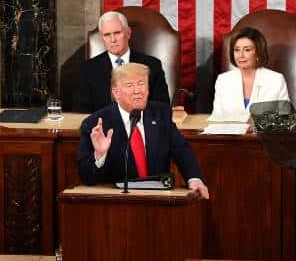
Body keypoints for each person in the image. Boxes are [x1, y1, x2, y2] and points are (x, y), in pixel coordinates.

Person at [77, 62, 209, 199]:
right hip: (118, 204)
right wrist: (100, 155)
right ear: (116, 93)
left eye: (141, 84)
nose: (137, 90)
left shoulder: (161, 114)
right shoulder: (95, 124)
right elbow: (87, 178)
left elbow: (181, 150)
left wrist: (194, 178)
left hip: (159, 201)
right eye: (129, 85)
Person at [73, 11, 170, 113]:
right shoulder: (88, 69)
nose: (113, 40)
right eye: (107, 35)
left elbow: (162, 106)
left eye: (117, 33)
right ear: (102, 38)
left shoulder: (152, 65)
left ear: (128, 33)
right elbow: (81, 111)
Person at [208, 27, 291, 122]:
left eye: (247, 50)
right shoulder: (223, 80)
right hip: (230, 135)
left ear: (258, 53)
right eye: (237, 50)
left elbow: (286, 119)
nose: (241, 55)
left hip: (264, 135)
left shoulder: (275, 80)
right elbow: (216, 118)